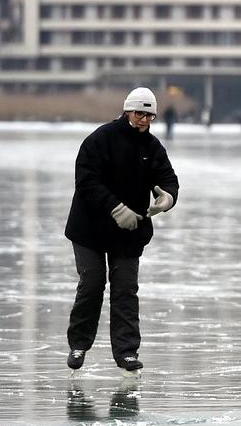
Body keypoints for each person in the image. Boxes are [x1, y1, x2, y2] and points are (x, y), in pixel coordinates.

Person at [64, 87, 179, 372]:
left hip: (128, 233)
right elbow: (86, 180)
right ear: (127, 110)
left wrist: (167, 198)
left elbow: (168, 178)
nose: (144, 120)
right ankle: (79, 345)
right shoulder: (100, 139)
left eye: (149, 116)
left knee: (125, 289)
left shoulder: (151, 147)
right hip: (89, 229)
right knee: (92, 285)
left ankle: (126, 352)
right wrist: (116, 208)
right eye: (140, 113)